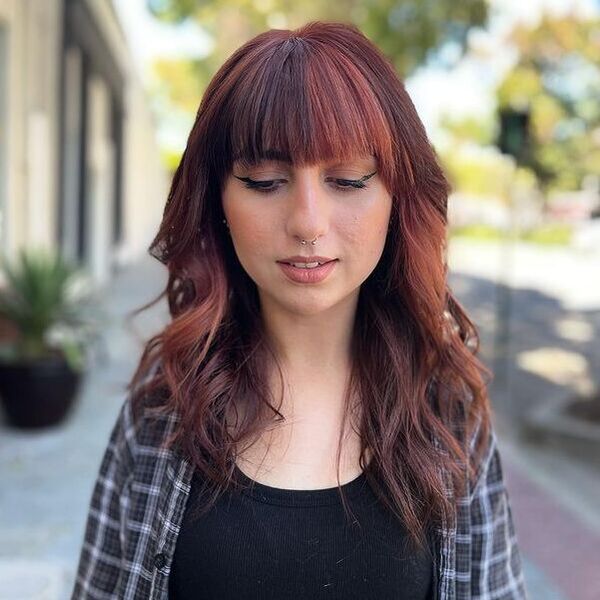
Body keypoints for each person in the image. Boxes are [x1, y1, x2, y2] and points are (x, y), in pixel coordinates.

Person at [71, 21, 527, 600]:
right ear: (218, 200)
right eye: (265, 181)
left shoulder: (451, 419)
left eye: (348, 179)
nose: (308, 222)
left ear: (397, 198)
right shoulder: (160, 412)